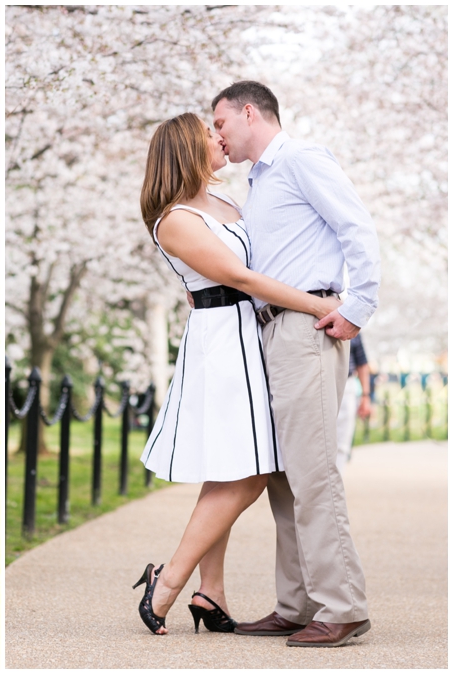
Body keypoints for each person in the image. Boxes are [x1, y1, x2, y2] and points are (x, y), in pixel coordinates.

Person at [134, 112, 341, 637]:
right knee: (247, 473)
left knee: (231, 466)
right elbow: (242, 276)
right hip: (223, 343)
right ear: (187, 148)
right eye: (209, 133)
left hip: (252, 331)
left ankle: (212, 592)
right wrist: (322, 306)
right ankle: (167, 583)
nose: (219, 137)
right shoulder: (176, 218)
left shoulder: (227, 203)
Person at [212, 80, 379, 647]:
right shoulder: (258, 183)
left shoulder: (302, 159)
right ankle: (296, 604)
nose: (218, 136)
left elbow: (356, 226)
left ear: (250, 112)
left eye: (221, 124)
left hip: (306, 329)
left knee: (311, 472)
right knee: (283, 478)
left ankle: (343, 605)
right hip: (271, 334)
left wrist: (358, 307)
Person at [336, 334, 371, 473]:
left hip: (346, 384)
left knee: (342, 442)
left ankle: (335, 486)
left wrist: (365, 397)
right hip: (317, 383)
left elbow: (362, 364)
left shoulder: (352, 324)